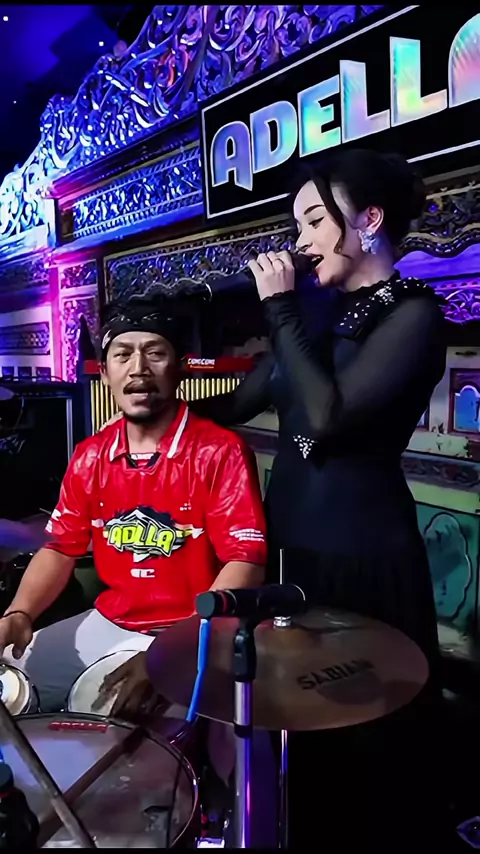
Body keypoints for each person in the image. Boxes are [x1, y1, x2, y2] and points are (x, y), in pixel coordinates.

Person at [188, 149, 448, 848]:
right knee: (298, 725)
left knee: (369, 731)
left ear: (369, 220)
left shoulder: (415, 314)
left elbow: (328, 416)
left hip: (365, 551)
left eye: (312, 221)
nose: (298, 240)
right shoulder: (313, 314)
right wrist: (156, 398)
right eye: (297, 224)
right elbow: (237, 405)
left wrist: (279, 310)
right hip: (291, 547)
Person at [0, 297, 266, 720]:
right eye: (122, 355)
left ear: (180, 368)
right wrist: (20, 612)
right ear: (106, 373)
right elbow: (61, 547)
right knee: (8, 684)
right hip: (109, 621)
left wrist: (178, 649)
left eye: (155, 353)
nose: (138, 368)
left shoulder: (220, 451)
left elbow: (245, 559)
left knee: (143, 733)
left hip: (191, 628)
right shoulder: (90, 455)